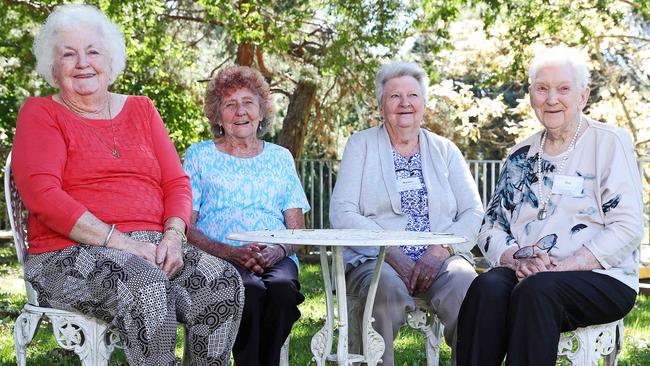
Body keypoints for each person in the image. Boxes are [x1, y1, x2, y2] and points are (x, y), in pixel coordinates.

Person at [11, 4, 244, 365]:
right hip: (67, 253)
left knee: (223, 282)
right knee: (146, 286)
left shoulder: (142, 109)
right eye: (68, 54)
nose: (82, 62)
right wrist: (121, 242)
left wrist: (173, 236)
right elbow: (43, 196)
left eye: (92, 51)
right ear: (53, 69)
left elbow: (176, 183)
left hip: (154, 246)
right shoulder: (41, 113)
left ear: (111, 59)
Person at [456, 46, 642, 366]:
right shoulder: (521, 154)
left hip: (601, 275)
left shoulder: (609, 142)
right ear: (531, 95)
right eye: (542, 88)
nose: (551, 98)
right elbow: (490, 226)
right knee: (486, 287)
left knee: (536, 292)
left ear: (582, 96)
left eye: (563, 89)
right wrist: (515, 259)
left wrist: (558, 268)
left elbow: (627, 227)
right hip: (528, 272)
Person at [329, 61, 484, 365]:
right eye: (394, 97)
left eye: (412, 96)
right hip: (376, 257)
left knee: (465, 283)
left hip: (439, 257)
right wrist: (389, 251)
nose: (404, 104)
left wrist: (443, 250)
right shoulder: (361, 145)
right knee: (383, 289)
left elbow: (473, 211)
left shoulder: (445, 149)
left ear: (423, 103)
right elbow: (342, 211)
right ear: (381, 104)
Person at [183, 65, 310, 366]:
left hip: (275, 256)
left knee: (281, 291)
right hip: (218, 257)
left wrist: (276, 251)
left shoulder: (280, 158)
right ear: (217, 115)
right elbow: (187, 225)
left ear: (262, 110)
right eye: (230, 104)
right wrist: (231, 252)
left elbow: (296, 228)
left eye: (248, 102)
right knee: (248, 291)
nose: (240, 111)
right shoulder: (199, 155)